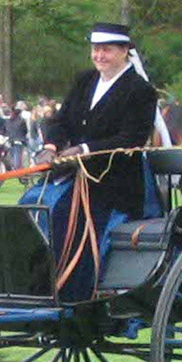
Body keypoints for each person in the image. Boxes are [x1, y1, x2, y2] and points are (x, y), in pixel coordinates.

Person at [38, 20, 161, 230]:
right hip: (71, 176)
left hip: (113, 183)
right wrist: (50, 147)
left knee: (60, 215)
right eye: (95, 49)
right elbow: (61, 120)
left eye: (106, 50)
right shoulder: (84, 80)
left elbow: (131, 139)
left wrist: (84, 150)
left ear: (124, 51)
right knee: (33, 204)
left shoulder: (141, 90)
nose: (99, 56)